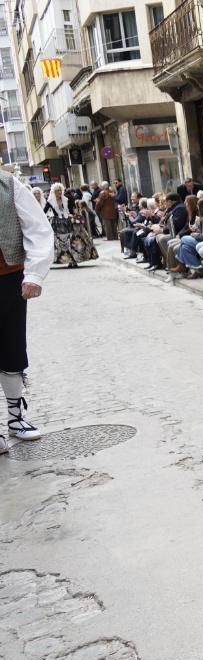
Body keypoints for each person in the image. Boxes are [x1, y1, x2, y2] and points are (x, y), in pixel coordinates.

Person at [0, 168, 53, 454]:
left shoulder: (8, 184)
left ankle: (15, 419)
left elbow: (38, 227)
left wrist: (34, 274)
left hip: (8, 278)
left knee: (12, 349)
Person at [46, 183, 97, 268]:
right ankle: (65, 259)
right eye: (57, 191)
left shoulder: (67, 199)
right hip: (57, 224)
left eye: (60, 190)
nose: (59, 192)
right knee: (61, 244)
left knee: (73, 241)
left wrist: (75, 216)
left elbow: (73, 209)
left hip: (69, 221)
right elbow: (44, 211)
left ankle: (74, 260)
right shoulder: (50, 201)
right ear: (53, 192)